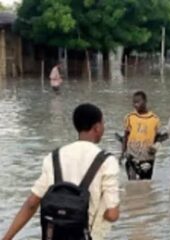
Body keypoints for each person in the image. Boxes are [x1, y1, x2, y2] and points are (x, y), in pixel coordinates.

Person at [3, 104, 120, 240]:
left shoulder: (54, 158)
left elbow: (31, 204)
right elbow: (113, 215)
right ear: (97, 127)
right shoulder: (106, 161)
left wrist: (6, 238)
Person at [122, 91, 161, 180]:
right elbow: (126, 136)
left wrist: (155, 149)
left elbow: (157, 138)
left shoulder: (155, 119)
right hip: (132, 155)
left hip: (147, 157)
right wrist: (122, 152)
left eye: (138, 102)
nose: (135, 105)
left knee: (146, 182)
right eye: (134, 102)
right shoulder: (130, 117)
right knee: (132, 181)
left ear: (145, 101)